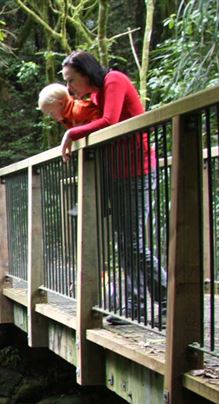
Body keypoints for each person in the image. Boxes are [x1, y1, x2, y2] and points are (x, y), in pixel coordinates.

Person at [59, 51, 166, 325]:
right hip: (118, 173)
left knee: (133, 242)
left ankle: (167, 300)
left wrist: (71, 134)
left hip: (139, 170)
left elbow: (110, 122)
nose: (70, 88)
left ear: (86, 73)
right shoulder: (94, 97)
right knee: (125, 243)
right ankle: (136, 306)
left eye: (71, 80)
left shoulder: (114, 81)